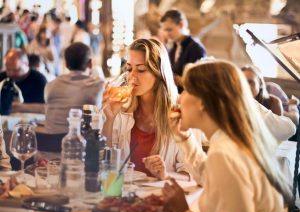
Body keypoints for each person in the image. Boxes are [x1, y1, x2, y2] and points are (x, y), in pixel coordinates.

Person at [164, 60, 292, 212]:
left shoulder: (224, 152)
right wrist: (184, 138)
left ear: (203, 102)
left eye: (186, 91)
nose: (179, 99)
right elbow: (208, 176)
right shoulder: (228, 139)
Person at [102, 38, 190, 180]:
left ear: (159, 74)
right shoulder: (121, 110)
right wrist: (109, 119)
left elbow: (192, 174)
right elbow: (104, 164)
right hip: (123, 196)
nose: (132, 77)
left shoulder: (180, 114)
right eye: (129, 69)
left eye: (141, 70)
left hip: (161, 197)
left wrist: (166, 175)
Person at [44, 42, 104, 134]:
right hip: (81, 145)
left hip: (48, 144)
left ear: (66, 64)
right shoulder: (98, 86)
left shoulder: (50, 85)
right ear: (90, 63)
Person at [160, 9, 206, 92]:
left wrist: (174, 78)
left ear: (181, 24)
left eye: (170, 29)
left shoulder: (195, 48)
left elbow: (200, 82)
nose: (167, 34)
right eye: (165, 30)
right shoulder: (173, 48)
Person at [0, 49, 47, 114]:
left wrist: (19, 107)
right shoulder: (3, 77)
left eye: (15, 70)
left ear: (26, 64)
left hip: (30, 122)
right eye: (8, 69)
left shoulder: (39, 80)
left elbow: (46, 108)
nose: (11, 74)